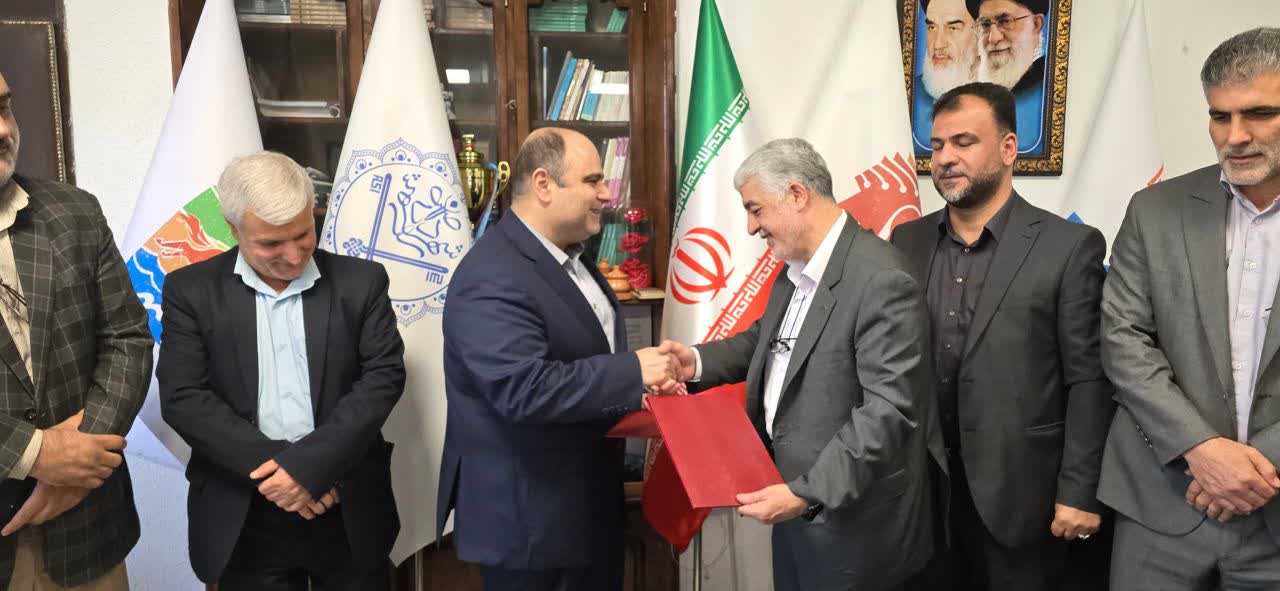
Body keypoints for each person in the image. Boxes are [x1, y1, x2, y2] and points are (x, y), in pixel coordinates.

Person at [661, 138, 944, 591]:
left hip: (853, 527)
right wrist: (691, 362)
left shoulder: (882, 279)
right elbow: (765, 341)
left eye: (756, 209)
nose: (751, 227)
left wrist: (805, 491)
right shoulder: (795, 268)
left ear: (796, 194)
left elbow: (887, 412)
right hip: (794, 506)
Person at [437, 127, 682, 591]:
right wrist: (632, 371)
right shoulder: (493, 272)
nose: (607, 194)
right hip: (531, 529)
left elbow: (581, 358)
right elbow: (522, 389)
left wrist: (638, 394)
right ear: (544, 184)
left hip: (585, 512)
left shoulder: (571, 256)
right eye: (593, 181)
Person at [891, 82, 1113, 590]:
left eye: (963, 142)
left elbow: (1089, 379)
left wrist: (1079, 490)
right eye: (936, 146)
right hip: (926, 496)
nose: (945, 158)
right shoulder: (907, 239)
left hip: (1024, 498)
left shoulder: (1068, 246)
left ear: (1009, 148)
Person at [158, 151, 406, 589]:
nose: (293, 256)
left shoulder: (363, 282)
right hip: (245, 512)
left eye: (303, 234)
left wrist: (311, 469)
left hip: (345, 505)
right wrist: (284, 474)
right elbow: (184, 397)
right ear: (233, 228)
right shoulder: (191, 290)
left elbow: (382, 379)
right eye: (271, 244)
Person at [1099, 27, 1280, 589]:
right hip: (1161, 506)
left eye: (1259, 114)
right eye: (1219, 117)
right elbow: (1123, 339)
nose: (1235, 136)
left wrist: (1255, 467)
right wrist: (1201, 450)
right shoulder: (1155, 209)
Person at [0, 70, 152, 590]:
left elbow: (127, 339)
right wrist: (34, 453)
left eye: (4, 107)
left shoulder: (74, 211)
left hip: (87, 534)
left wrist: (81, 458)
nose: (4, 129)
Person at [968, 0, 1047, 151]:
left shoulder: (1046, 86)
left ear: (1036, 25)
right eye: (985, 25)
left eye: (1005, 21)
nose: (993, 38)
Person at [914, 0, 982, 150]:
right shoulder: (909, 94)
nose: (938, 44)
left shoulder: (1012, 99)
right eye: (932, 27)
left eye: (953, 28)